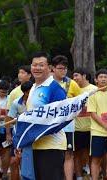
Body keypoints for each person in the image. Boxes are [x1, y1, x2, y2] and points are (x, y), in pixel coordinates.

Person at [28, 51, 67, 180]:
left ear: (49, 68)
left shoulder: (55, 88)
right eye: (34, 65)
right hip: (35, 144)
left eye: (41, 65)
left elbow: (61, 118)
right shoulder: (34, 87)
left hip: (52, 146)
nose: (37, 68)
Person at [52, 55, 81, 180]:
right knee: (53, 154)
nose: (62, 71)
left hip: (68, 126)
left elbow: (81, 102)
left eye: (64, 68)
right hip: (52, 126)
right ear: (53, 68)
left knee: (69, 154)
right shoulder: (47, 83)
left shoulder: (72, 84)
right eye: (59, 68)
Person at [87, 69, 107, 180]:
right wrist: (106, 127)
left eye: (106, 77)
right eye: (101, 77)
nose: (103, 79)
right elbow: (92, 113)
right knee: (96, 159)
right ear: (96, 79)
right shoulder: (93, 94)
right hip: (98, 132)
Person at [72, 68, 97, 179]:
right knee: (76, 154)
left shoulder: (94, 89)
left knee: (92, 155)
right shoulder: (71, 89)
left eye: (77, 75)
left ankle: (92, 176)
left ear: (84, 76)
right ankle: (79, 177)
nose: (74, 78)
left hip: (92, 129)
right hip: (76, 129)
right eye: (73, 76)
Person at [6, 81, 34, 180]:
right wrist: (8, 134)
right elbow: (9, 118)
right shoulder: (16, 103)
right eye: (30, 91)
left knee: (30, 162)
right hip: (19, 136)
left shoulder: (38, 102)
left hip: (34, 136)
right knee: (14, 161)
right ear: (25, 93)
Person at [0, 80, 11, 179]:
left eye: (5, 92)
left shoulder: (9, 99)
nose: (3, 94)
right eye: (2, 92)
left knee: (5, 151)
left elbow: (9, 115)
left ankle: (5, 172)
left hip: (6, 129)